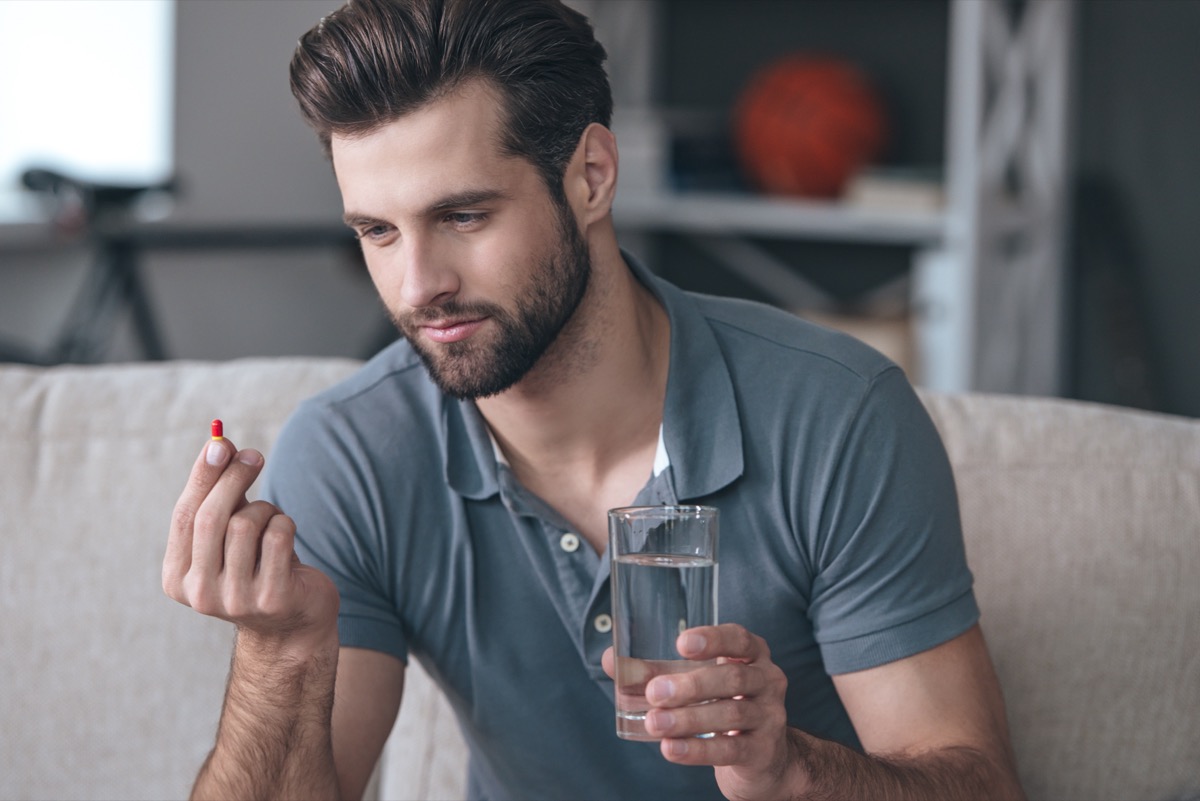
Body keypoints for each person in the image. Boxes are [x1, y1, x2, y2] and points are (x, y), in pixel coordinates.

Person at [161, 0, 1025, 798]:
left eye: (463, 216)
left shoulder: (837, 415)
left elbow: (977, 783)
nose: (418, 286)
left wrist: (792, 768)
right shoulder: (353, 451)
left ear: (592, 176)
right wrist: (282, 654)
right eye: (378, 232)